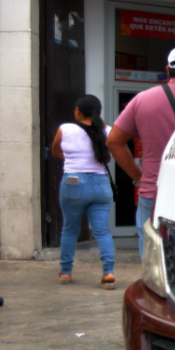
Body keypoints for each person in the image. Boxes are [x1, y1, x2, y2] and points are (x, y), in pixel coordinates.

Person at [108, 45, 175, 257]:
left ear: (168, 69)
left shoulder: (142, 100)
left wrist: (139, 177)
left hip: (152, 192)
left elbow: (114, 142)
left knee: (152, 256)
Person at [50, 94, 117, 288]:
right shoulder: (108, 131)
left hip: (74, 182)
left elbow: (56, 150)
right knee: (103, 231)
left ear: (78, 111)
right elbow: (109, 156)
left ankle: (65, 272)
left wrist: (72, 158)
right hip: (101, 184)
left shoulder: (66, 129)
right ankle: (109, 272)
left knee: (70, 229)